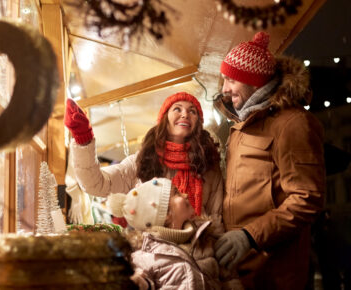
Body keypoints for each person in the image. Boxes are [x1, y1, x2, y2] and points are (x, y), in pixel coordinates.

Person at [213, 31, 326, 289]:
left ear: (254, 81)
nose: (225, 89)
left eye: (231, 80)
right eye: (224, 80)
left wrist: (249, 236)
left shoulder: (292, 124)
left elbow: (307, 198)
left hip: (275, 273)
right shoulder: (242, 125)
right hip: (239, 270)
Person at [64, 91, 224, 227]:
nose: (185, 114)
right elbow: (97, 184)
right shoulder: (142, 161)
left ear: (198, 123)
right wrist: (83, 139)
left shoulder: (207, 165)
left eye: (193, 111)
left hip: (197, 255)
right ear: (164, 119)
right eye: (177, 108)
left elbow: (216, 219)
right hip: (150, 253)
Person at [108, 177, 243, 290]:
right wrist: (145, 284)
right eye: (177, 193)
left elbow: (230, 279)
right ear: (166, 214)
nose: (185, 194)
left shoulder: (204, 236)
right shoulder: (145, 257)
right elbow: (141, 281)